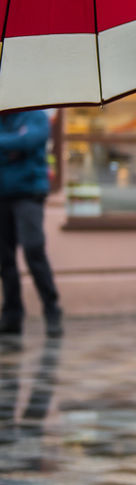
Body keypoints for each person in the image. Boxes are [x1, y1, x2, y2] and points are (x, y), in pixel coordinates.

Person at [0, 110, 61, 338]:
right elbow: (20, 143)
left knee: (33, 249)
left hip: (29, 194)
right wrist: (13, 146)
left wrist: (13, 146)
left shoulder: (36, 115)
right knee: (5, 259)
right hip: (2, 194)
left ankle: (52, 310)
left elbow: (30, 141)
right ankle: (11, 316)